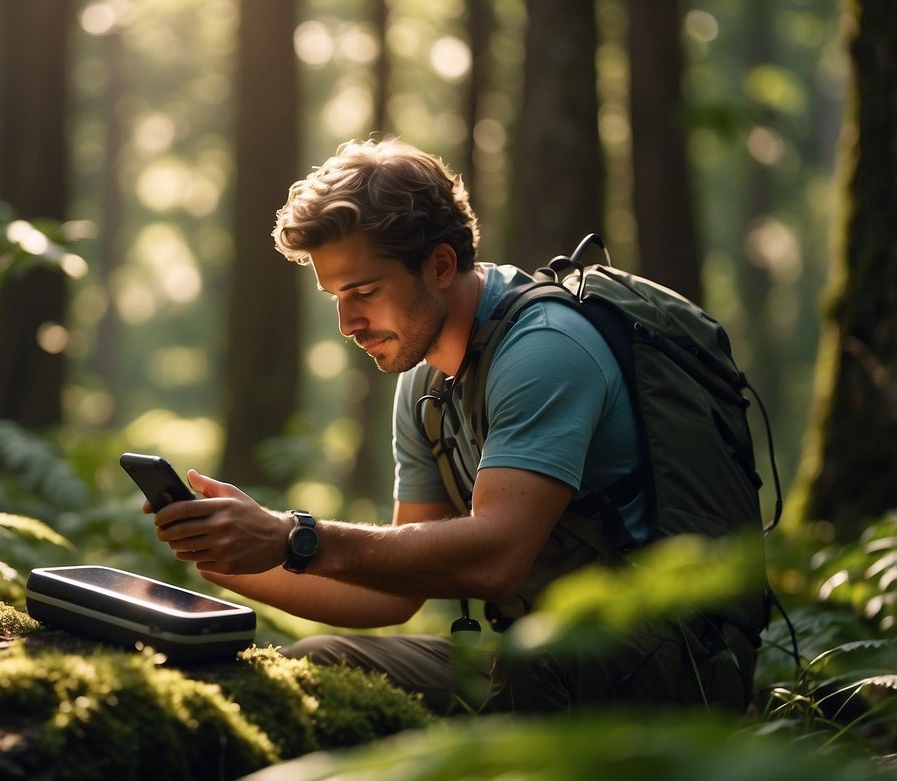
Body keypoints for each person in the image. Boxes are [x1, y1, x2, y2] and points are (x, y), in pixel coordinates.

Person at [147, 137, 760, 715]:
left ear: (441, 264)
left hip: (668, 667)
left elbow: (496, 559)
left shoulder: (545, 351)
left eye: (363, 291)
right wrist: (235, 556)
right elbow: (391, 593)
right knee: (321, 666)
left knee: (530, 674)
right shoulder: (424, 383)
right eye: (335, 296)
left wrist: (292, 537)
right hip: (538, 654)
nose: (347, 323)